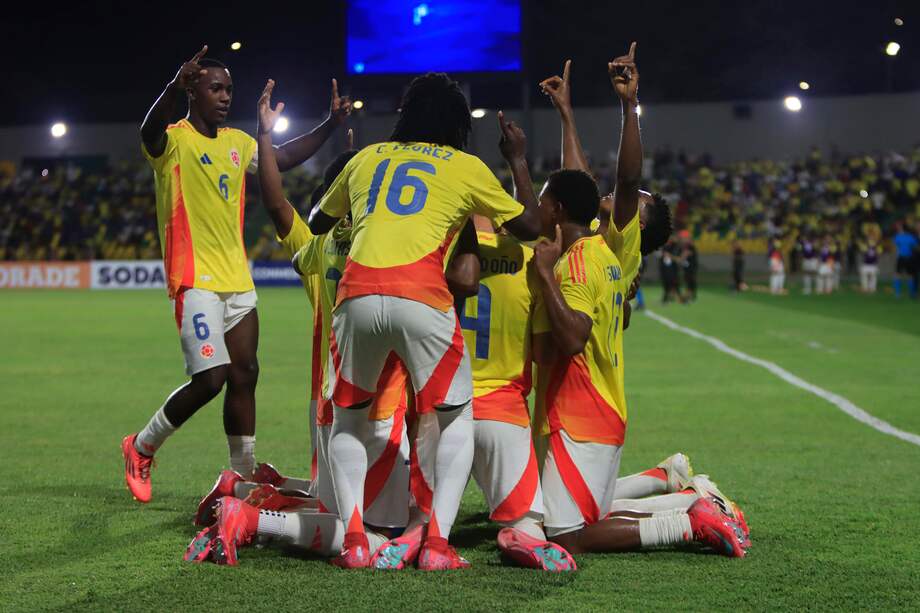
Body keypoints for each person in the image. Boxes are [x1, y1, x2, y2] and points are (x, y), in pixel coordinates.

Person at [186, 84, 480, 566]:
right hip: (379, 405)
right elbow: (462, 278)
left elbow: (279, 205)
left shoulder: (318, 246)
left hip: (328, 394)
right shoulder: (405, 242)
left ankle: (245, 487)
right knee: (374, 528)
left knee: (343, 503)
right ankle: (249, 516)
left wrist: (269, 137)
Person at [306, 72, 542, 570]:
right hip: (422, 294)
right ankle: (436, 544)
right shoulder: (464, 165)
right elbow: (529, 227)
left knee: (349, 417)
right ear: (458, 123)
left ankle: (353, 541)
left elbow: (316, 223)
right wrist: (516, 157)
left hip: (357, 294)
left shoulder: (368, 156)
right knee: (456, 417)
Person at [531, 45, 746, 559]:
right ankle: (668, 481)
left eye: (638, 204)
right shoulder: (595, 241)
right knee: (557, 505)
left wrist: (629, 106)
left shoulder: (618, 245)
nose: (629, 196)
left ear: (637, 227)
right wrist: (566, 116)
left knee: (564, 530)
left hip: (584, 406)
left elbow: (623, 180)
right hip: (591, 405)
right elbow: (577, 186)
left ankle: (688, 521)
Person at [122, 47, 352, 503]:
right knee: (212, 378)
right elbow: (147, 131)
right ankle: (142, 446)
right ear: (194, 91)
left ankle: (242, 475)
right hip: (195, 280)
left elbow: (282, 158)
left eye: (229, 89)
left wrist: (329, 124)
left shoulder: (238, 142)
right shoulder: (173, 140)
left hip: (237, 282)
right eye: (215, 88)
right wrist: (172, 84)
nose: (225, 97)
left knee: (246, 372)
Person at [893, 221, 919, 298]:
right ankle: (912, 293)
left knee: (897, 275)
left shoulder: (897, 236)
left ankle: (898, 294)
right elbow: (915, 247)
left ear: (901, 228)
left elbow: (895, 247)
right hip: (909, 258)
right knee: (910, 275)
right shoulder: (911, 237)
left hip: (901, 257)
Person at [679, 231, 698, 302]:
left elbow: (684, 255)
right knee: (688, 281)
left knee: (690, 281)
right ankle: (690, 295)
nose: (682, 239)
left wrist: (680, 258)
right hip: (687, 267)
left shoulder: (690, 246)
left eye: (683, 238)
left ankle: (690, 295)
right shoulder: (686, 246)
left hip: (691, 267)